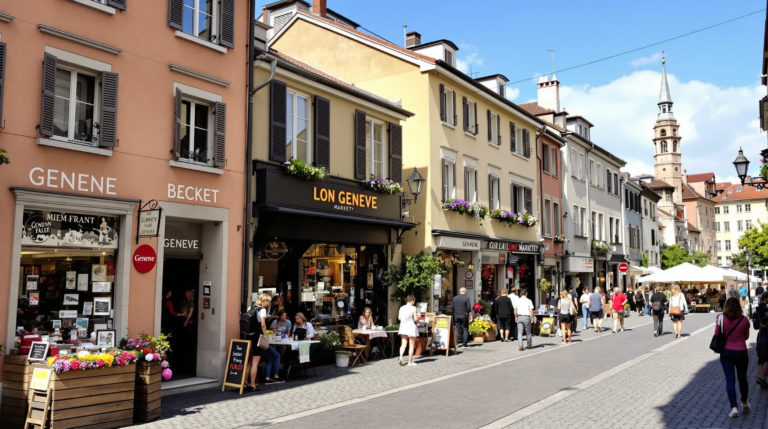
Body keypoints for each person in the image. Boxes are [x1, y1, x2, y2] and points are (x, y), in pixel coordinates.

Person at [717, 297, 751, 418]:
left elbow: (717, 334)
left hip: (726, 352)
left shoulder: (720, 318)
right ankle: (745, 402)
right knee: (742, 378)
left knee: (730, 380)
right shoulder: (744, 320)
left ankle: (734, 407)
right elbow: (746, 337)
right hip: (741, 351)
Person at [246, 294, 271, 392]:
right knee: (255, 363)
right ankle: (252, 384)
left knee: (249, 362)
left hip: (249, 336)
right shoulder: (262, 309)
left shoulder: (250, 307)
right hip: (257, 337)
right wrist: (265, 336)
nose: (268, 303)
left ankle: (245, 382)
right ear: (264, 301)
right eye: (268, 301)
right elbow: (263, 324)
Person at [397, 295, 419, 366]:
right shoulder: (413, 308)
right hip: (411, 327)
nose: (414, 302)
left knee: (403, 344)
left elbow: (399, 318)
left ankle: (400, 356)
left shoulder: (401, 308)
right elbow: (415, 319)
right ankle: (410, 362)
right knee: (411, 345)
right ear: (412, 300)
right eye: (414, 301)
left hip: (403, 327)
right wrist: (417, 319)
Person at [754, 292, 768, 388]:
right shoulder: (766, 309)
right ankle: (762, 378)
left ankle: (761, 377)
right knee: (767, 357)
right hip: (766, 334)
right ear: (765, 298)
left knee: (761, 358)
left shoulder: (758, 308)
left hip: (760, 335)